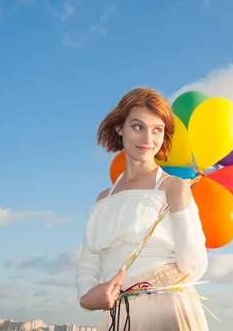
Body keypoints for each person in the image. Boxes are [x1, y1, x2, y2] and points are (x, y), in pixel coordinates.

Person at [76, 87, 210, 331]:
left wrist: (179, 205)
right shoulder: (103, 198)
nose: (148, 139)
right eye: (138, 126)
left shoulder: (173, 188)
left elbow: (194, 267)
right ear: (119, 128)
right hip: (116, 316)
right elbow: (89, 263)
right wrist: (87, 297)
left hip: (166, 312)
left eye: (157, 129)